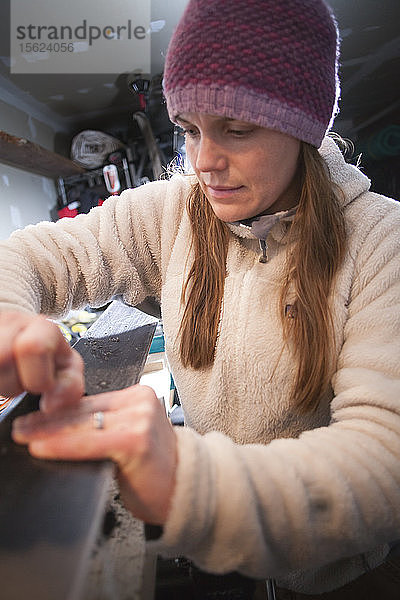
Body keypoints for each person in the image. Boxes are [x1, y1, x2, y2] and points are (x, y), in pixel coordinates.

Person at [1, 0, 400, 598]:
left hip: (342, 577)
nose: (203, 162)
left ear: (302, 126)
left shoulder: (380, 240)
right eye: (188, 129)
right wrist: (9, 314)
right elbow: (32, 256)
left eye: (236, 130)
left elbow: (381, 463)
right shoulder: (170, 213)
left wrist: (189, 482)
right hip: (231, 561)